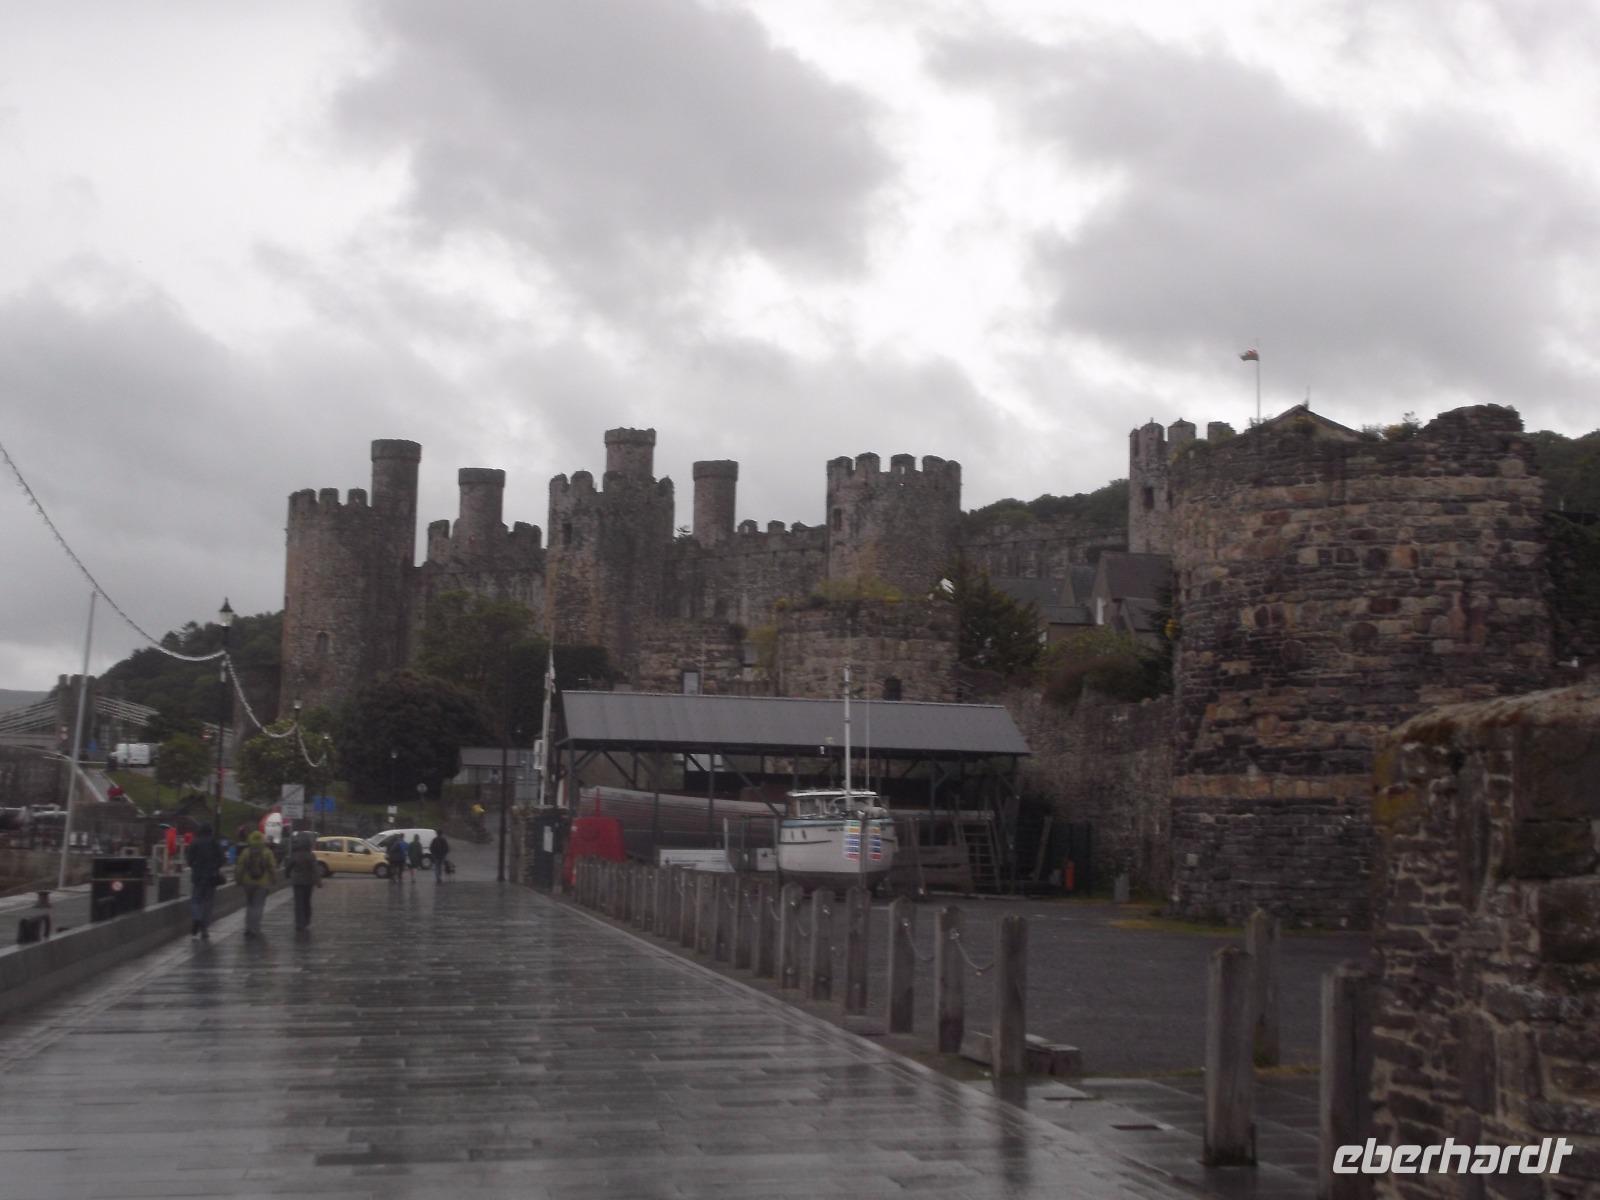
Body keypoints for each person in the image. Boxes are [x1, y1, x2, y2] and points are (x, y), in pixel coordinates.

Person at [185, 824, 225, 940]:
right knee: (208, 903)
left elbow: (189, 860)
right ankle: (204, 929)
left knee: (196, 900)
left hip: (198, 877)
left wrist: (195, 866)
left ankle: (197, 917)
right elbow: (222, 859)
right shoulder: (214, 843)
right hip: (211, 877)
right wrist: (215, 867)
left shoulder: (195, 842)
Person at [235, 831, 278, 939]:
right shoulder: (267, 852)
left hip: (247, 883)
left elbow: (240, 867)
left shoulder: (246, 852)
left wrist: (238, 880)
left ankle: (248, 928)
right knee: (258, 906)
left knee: (249, 905)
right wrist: (274, 879)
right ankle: (255, 928)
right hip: (262, 883)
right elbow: (272, 867)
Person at [286, 831, 321, 931]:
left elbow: (289, 867)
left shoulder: (295, 855)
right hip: (308, 882)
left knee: (298, 903)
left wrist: (287, 874)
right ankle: (306, 920)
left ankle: (299, 923)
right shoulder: (311, 856)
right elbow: (315, 869)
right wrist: (318, 881)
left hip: (297, 882)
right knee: (306, 902)